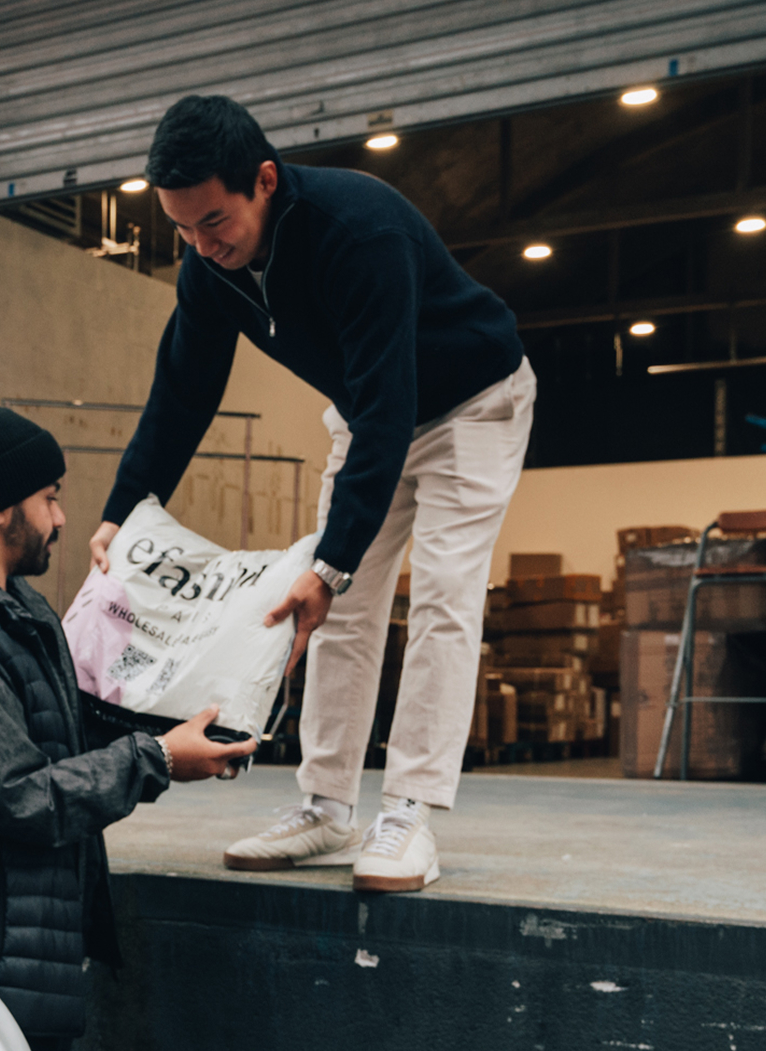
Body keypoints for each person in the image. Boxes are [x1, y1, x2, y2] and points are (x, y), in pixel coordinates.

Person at [89, 95, 535, 893]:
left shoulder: (361, 232)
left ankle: (410, 811)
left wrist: (330, 564)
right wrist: (122, 513)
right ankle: (327, 807)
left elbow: (391, 403)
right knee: (333, 613)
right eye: (182, 229)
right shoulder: (208, 265)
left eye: (214, 221)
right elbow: (183, 391)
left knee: (441, 596)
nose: (202, 245)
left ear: (264, 181)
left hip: (471, 402)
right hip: (371, 416)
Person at [0, 402, 256, 1051]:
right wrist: (160, 759)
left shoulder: (12, 607)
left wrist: (180, 734)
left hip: (19, 948)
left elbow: (61, 734)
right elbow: (22, 795)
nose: (62, 517)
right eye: (49, 497)